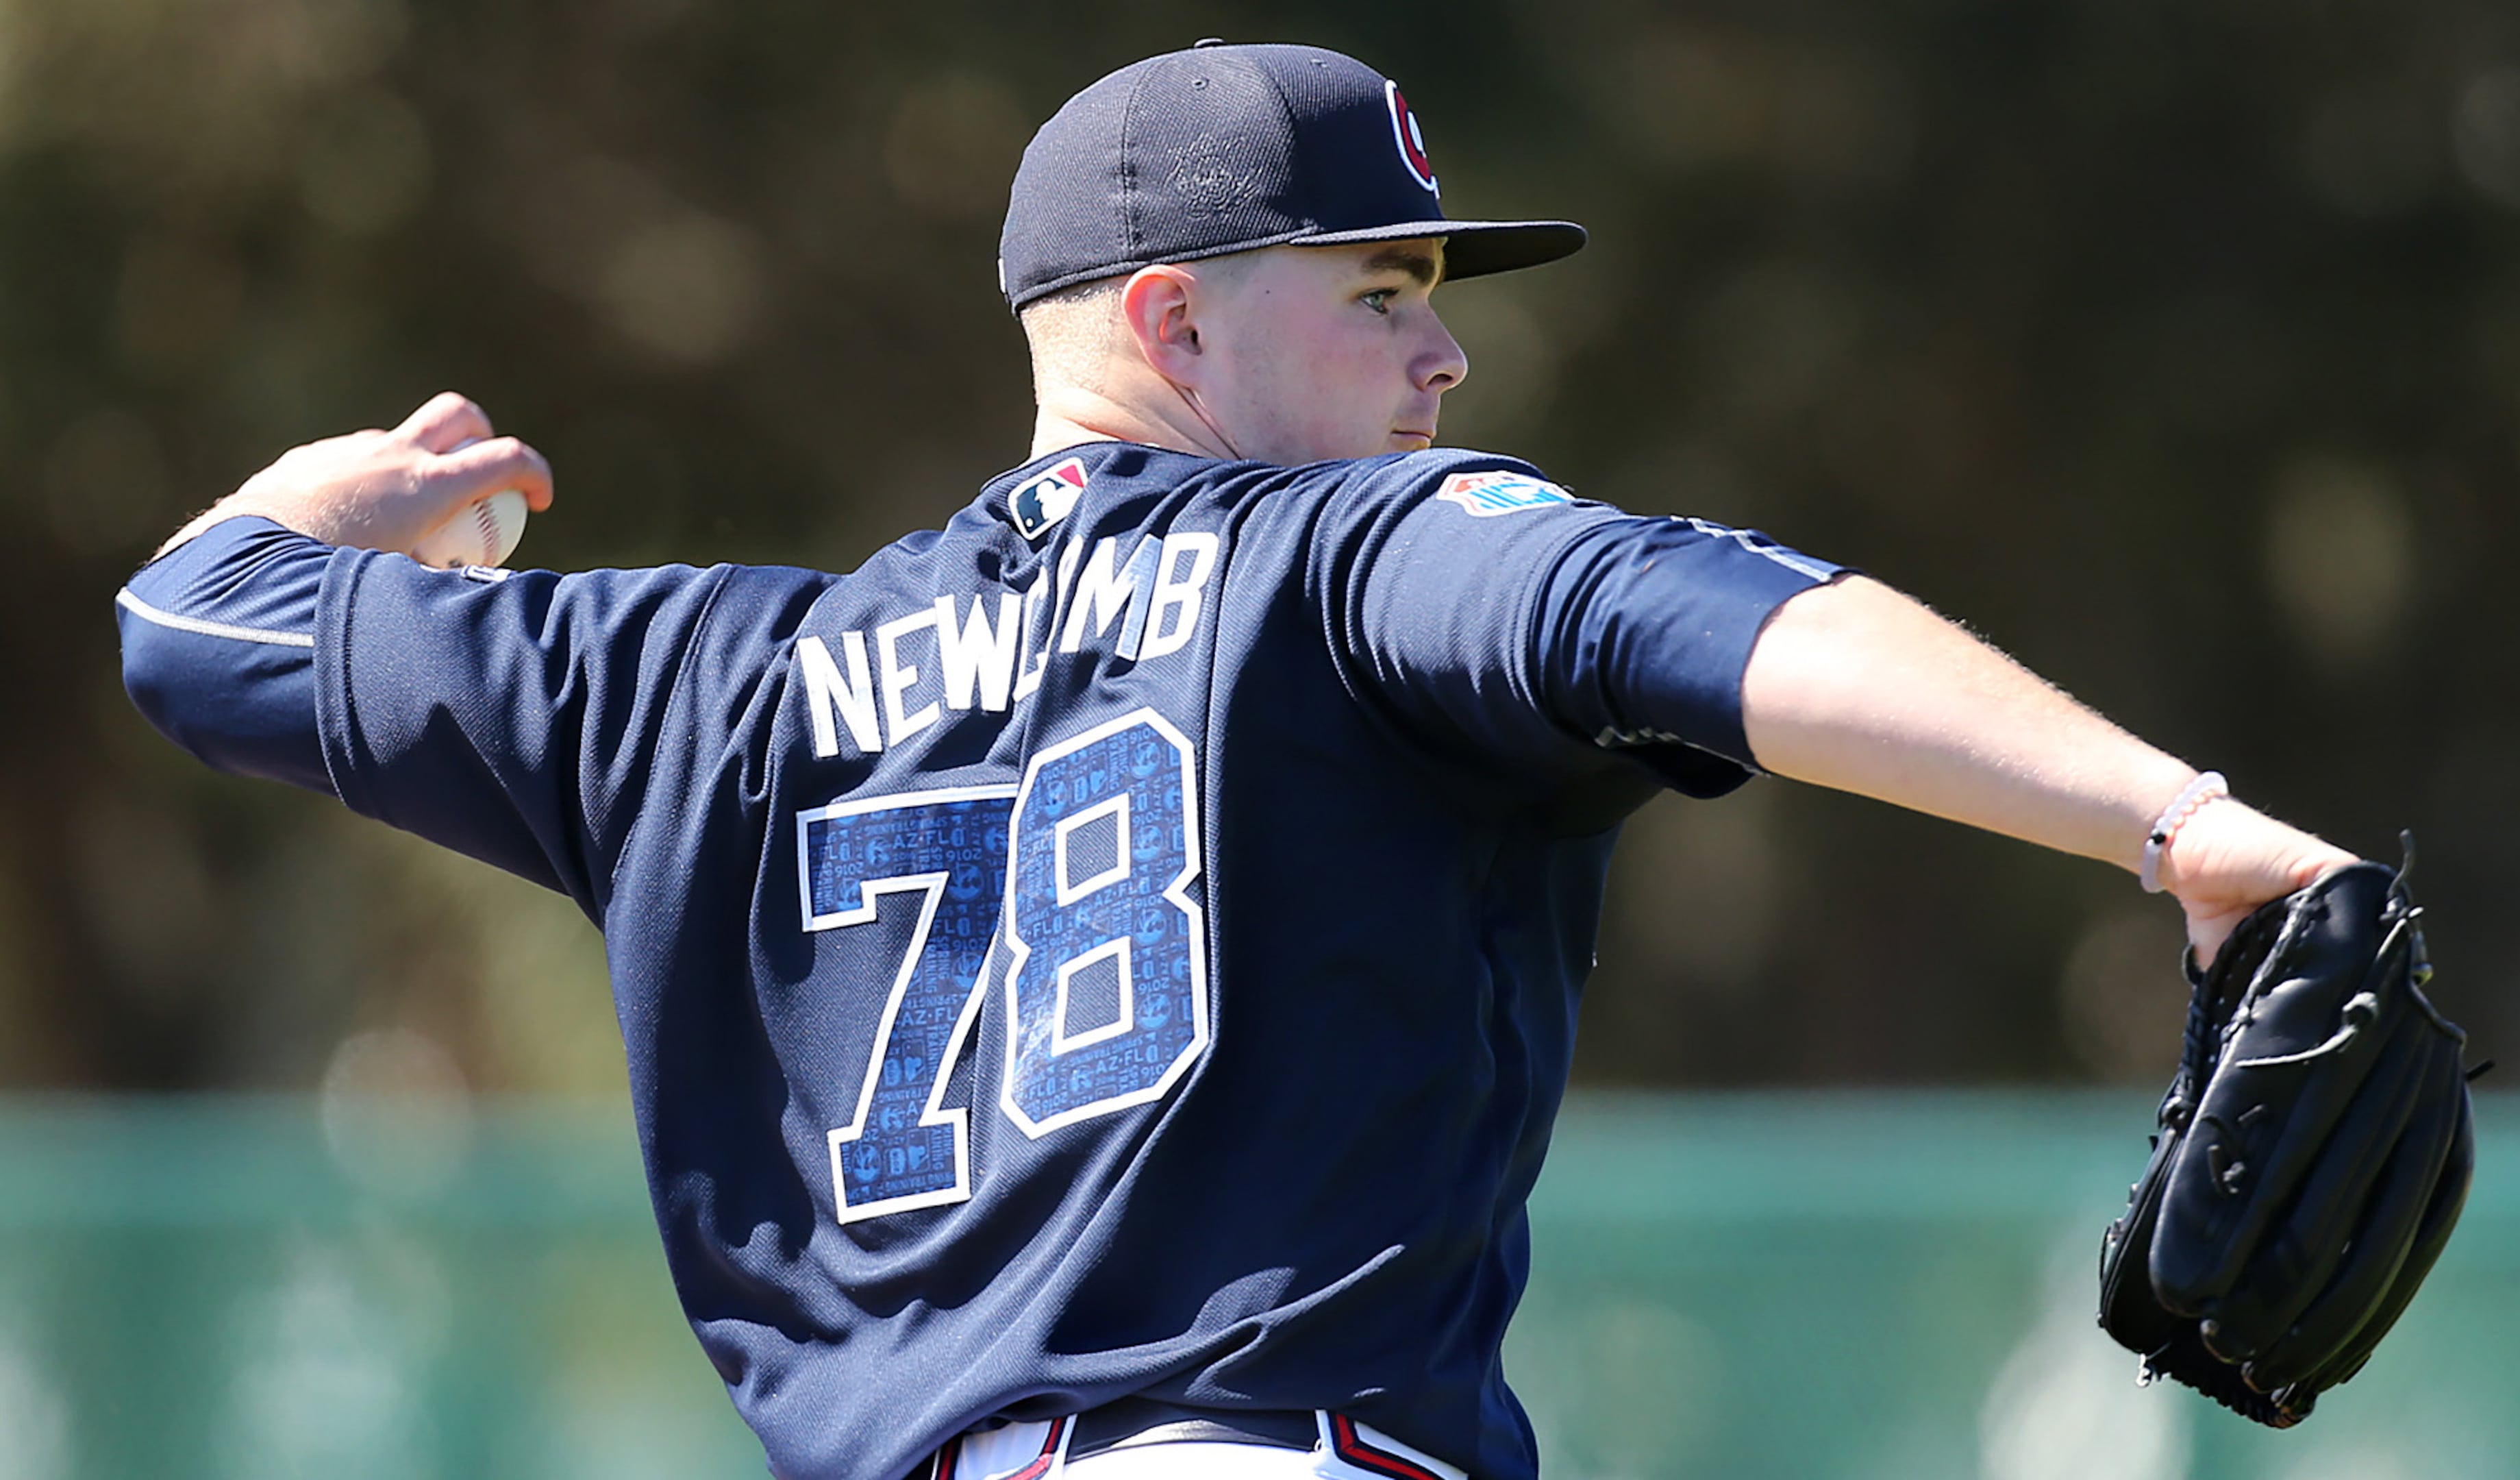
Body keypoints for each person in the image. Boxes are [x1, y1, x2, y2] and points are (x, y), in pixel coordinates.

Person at [115, 40, 2351, 1480]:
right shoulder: (1352, 563)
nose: (1445, 349)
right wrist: (2175, 821)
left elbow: (197, 626)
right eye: (1379, 293)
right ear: (1172, 320)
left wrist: (320, 506)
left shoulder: (704, 677)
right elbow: (1721, 621)